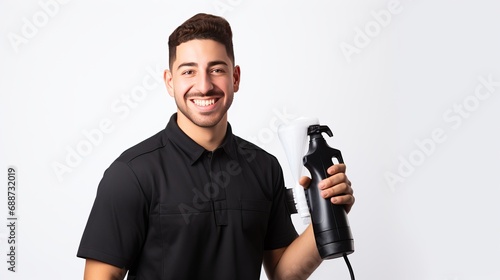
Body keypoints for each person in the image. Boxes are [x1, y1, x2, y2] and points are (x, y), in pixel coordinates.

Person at [77, 13, 354, 280]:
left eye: (216, 69)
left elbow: (283, 273)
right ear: (170, 83)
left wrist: (327, 211)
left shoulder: (264, 167)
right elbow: (102, 276)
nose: (204, 85)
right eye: (189, 71)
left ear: (235, 78)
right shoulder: (132, 173)